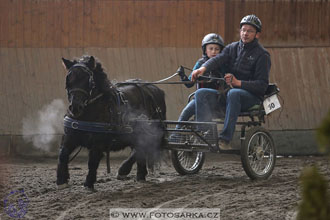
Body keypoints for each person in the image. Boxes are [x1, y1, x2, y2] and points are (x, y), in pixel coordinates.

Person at [191, 14, 271, 150]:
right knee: (201, 93)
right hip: (228, 93)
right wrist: (203, 68)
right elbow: (218, 59)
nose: (245, 33)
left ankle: (225, 139)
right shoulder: (232, 48)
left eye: (250, 31)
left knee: (234, 93)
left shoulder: (262, 55)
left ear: (257, 35)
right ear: (240, 31)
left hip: (250, 97)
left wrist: (238, 82)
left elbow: (262, 86)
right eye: (243, 30)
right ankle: (205, 135)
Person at [176, 33, 225, 128]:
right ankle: (175, 137)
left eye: (217, 49)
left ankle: (203, 131)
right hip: (199, 98)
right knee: (185, 114)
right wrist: (182, 76)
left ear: (220, 51)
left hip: (217, 99)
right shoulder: (200, 63)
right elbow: (189, 84)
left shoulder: (223, 65)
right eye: (211, 48)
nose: (214, 51)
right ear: (205, 50)